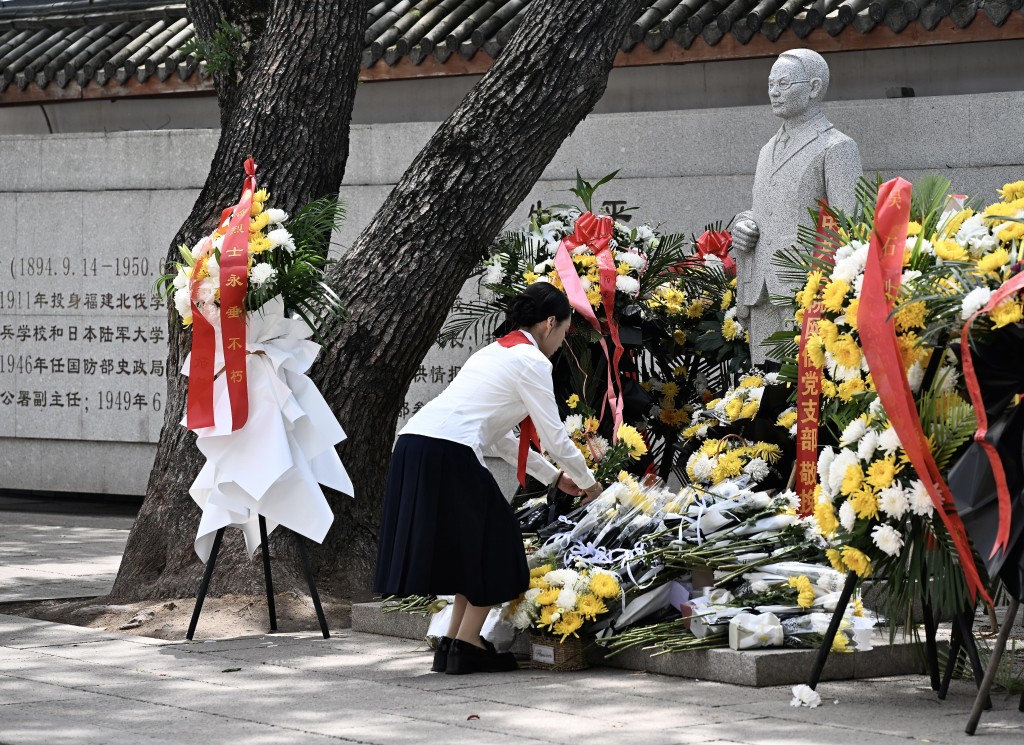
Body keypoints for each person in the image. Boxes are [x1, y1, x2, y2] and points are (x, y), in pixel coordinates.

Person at [374, 282, 603, 675]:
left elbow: (499, 438)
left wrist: (553, 478)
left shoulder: (495, 351)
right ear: (550, 323)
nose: (562, 342)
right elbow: (554, 436)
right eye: (564, 332)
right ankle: (464, 642)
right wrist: (590, 484)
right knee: (497, 540)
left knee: (471, 545)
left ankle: (458, 643)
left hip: (416, 444)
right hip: (447, 450)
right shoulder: (532, 362)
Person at [732, 48, 862, 364]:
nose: (774, 92)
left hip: (807, 289)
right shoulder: (767, 150)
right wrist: (744, 224)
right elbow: (765, 209)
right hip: (761, 285)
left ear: (814, 88)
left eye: (784, 83)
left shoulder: (838, 147)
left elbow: (851, 225)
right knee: (761, 388)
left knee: (802, 389)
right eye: (771, 83)